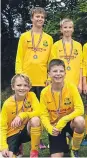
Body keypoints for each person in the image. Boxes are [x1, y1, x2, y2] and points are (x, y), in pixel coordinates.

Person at [15, 7, 53, 149]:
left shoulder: (48, 38)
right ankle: (19, 139)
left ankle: (39, 138)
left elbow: (51, 60)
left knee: (42, 111)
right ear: (32, 18)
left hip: (42, 81)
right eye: (37, 16)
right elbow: (19, 57)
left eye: (42, 17)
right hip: (26, 81)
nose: (39, 19)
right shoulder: (24, 36)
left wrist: (49, 77)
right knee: (23, 110)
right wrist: (19, 75)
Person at [40, 59, 85, 157]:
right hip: (55, 126)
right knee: (56, 156)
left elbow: (80, 109)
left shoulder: (71, 87)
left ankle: (75, 149)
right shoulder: (44, 92)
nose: (58, 74)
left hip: (70, 123)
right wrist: (49, 128)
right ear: (49, 74)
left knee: (80, 121)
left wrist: (64, 119)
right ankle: (65, 141)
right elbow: (43, 115)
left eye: (61, 71)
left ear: (65, 73)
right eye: (55, 71)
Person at [0, 74, 41, 158]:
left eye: (25, 85)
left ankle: (34, 152)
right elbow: (2, 127)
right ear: (13, 87)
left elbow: (39, 111)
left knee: (35, 120)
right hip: (12, 133)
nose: (22, 88)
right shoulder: (7, 104)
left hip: (27, 130)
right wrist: (3, 147)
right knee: (7, 156)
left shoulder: (32, 96)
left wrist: (22, 115)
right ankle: (17, 149)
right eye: (19, 85)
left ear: (29, 87)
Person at [51, 18, 83, 92]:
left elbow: (81, 66)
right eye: (65, 27)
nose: (67, 29)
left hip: (75, 83)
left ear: (73, 29)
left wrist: (80, 83)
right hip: (59, 82)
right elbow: (52, 65)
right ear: (61, 29)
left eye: (70, 27)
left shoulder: (78, 45)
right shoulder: (56, 45)